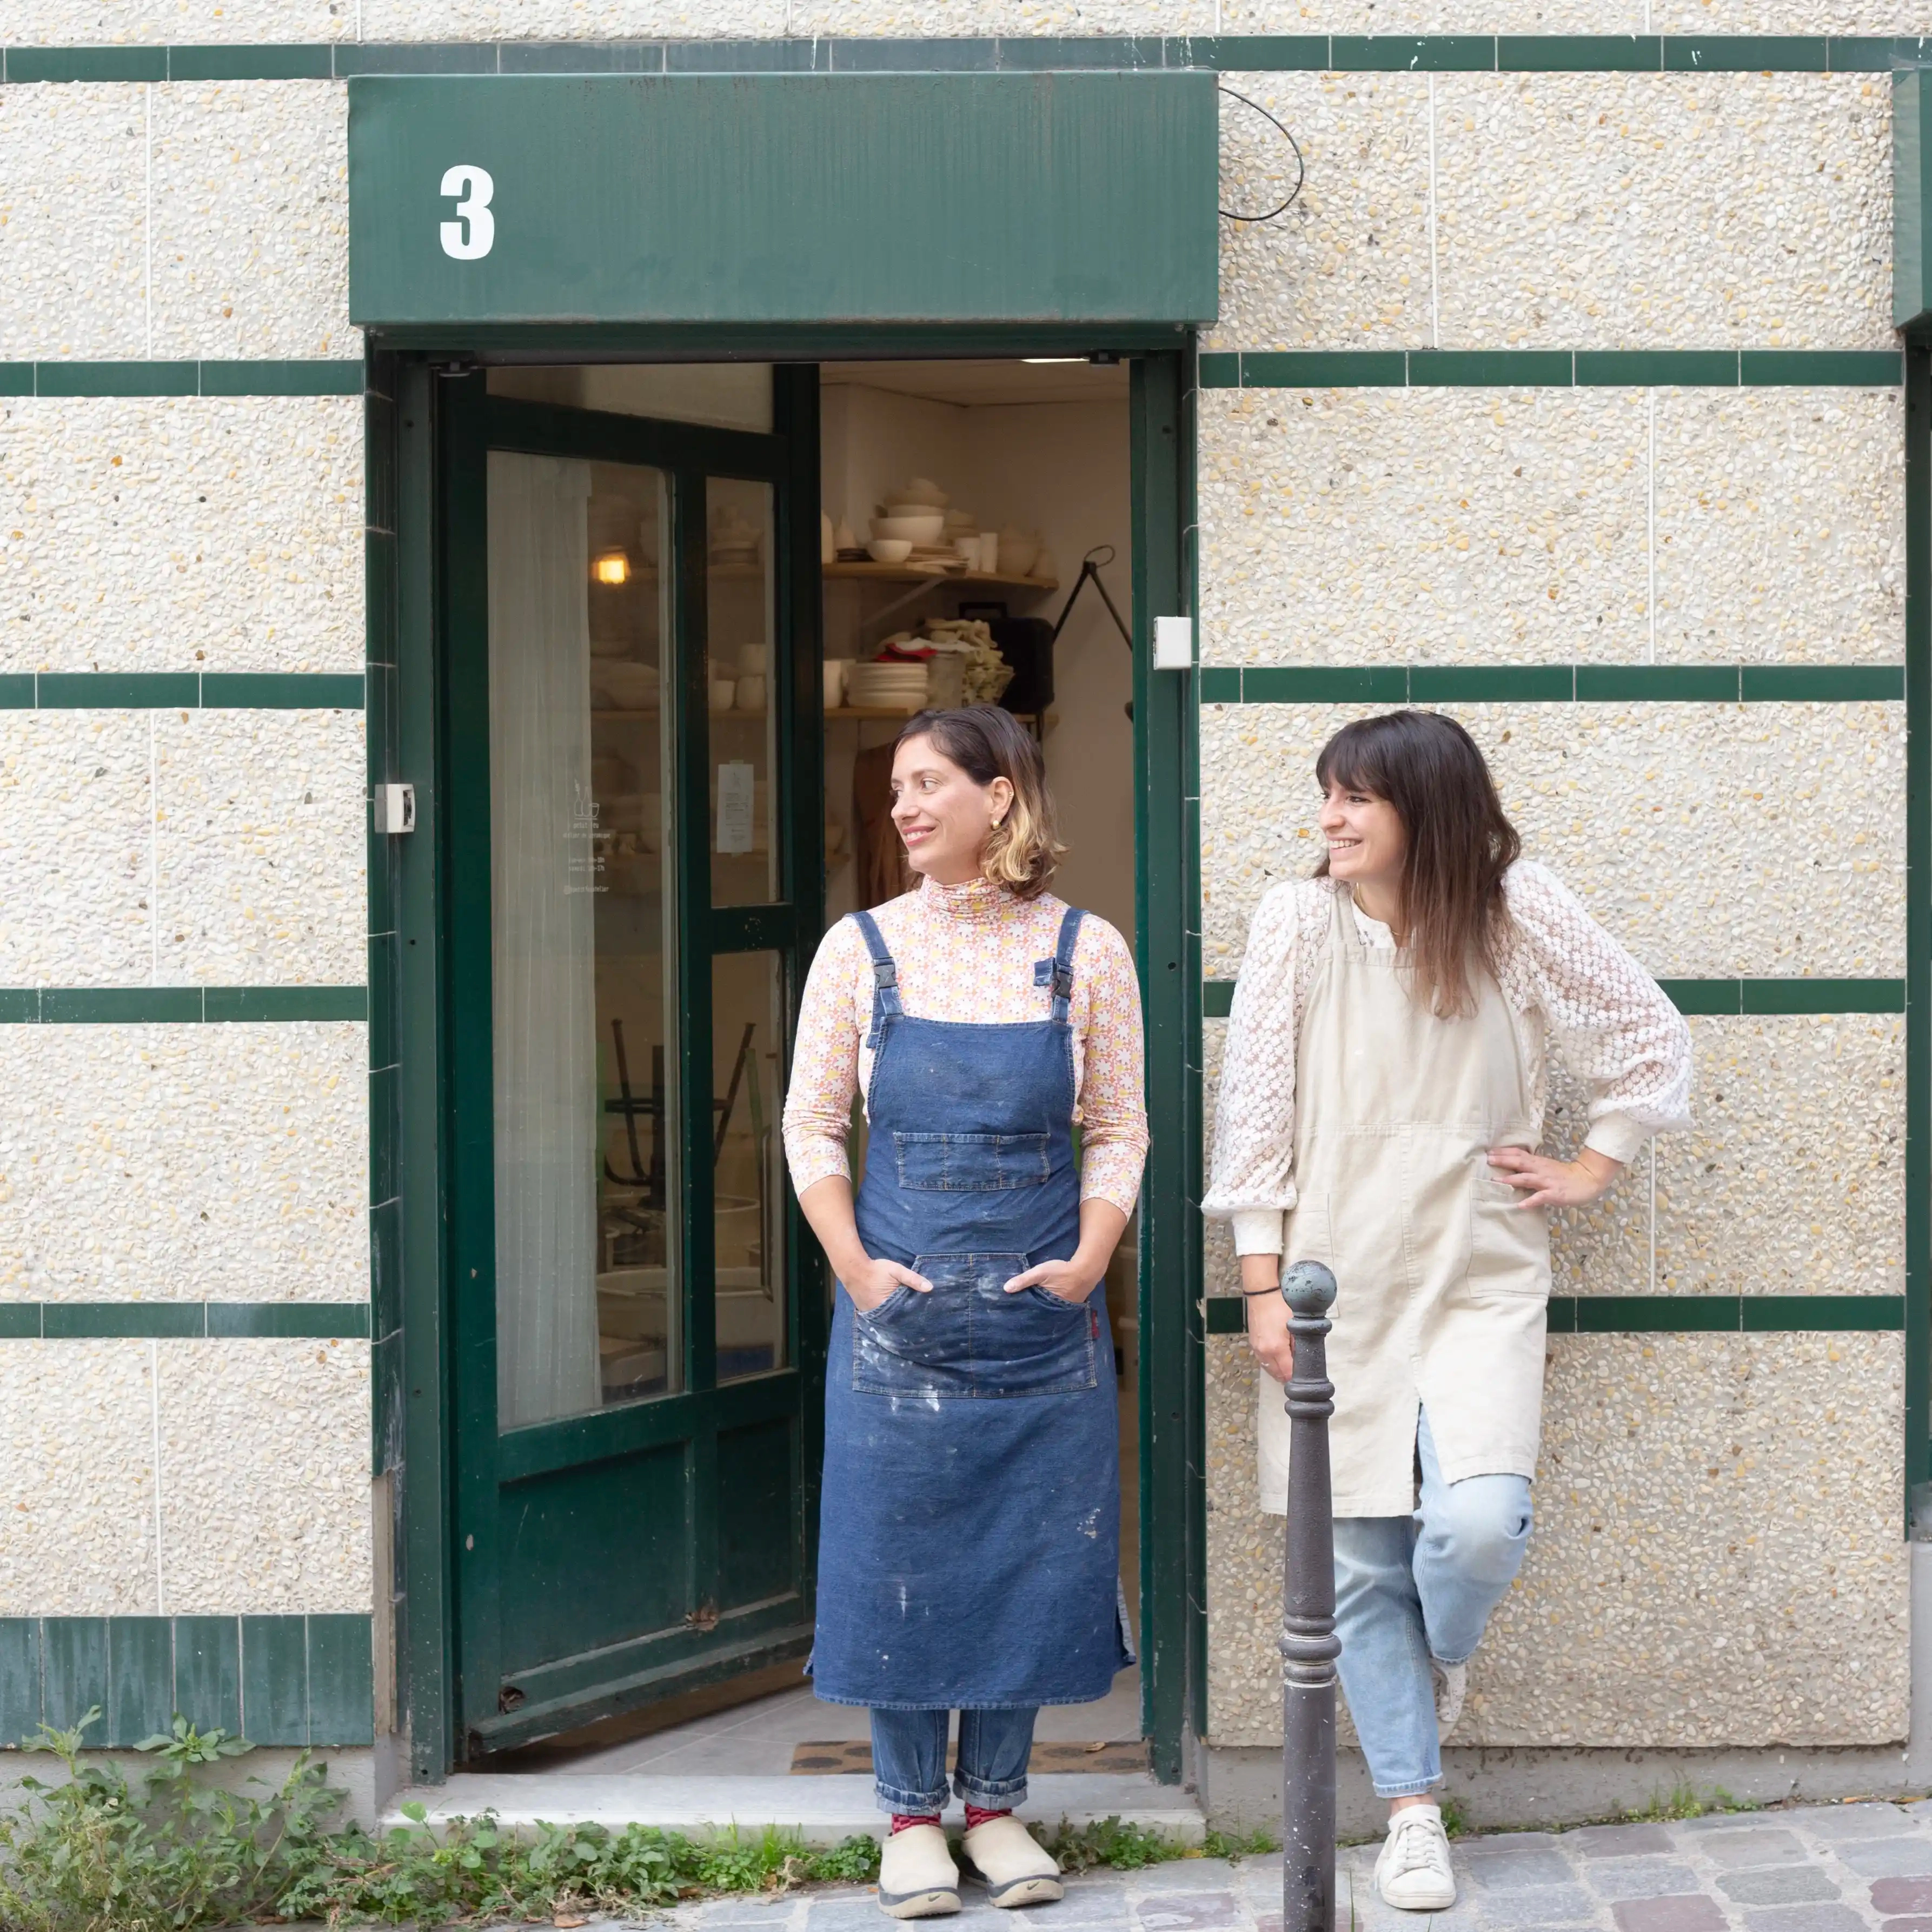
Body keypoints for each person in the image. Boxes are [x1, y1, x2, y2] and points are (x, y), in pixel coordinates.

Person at [1202, 711, 1691, 1911]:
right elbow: (1255, 1114)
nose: (1329, 818)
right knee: (1361, 1560)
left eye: (1356, 798)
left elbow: (1649, 1036)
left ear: (1429, 804)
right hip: (1334, 1279)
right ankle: (1412, 1813)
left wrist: (1595, 1163)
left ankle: (1440, 1658)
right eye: (1325, 795)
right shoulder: (1296, 920)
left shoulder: (1516, 905)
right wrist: (1262, 1286)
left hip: (1481, 1269)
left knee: (1476, 1524)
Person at [784, 705, 1148, 1921]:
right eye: (897, 786)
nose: (902, 804)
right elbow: (810, 1123)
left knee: (1030, 1561)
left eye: (929, 781)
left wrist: (1093, 1259)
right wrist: (856, 1267)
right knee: (903, 1557)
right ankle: (906, 1817)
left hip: (1047, 1315)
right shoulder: (862, 949)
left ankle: (993, 1806)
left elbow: (1116, 1125)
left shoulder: (1085, 950)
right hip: (899, 1317)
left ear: (1002, 797)